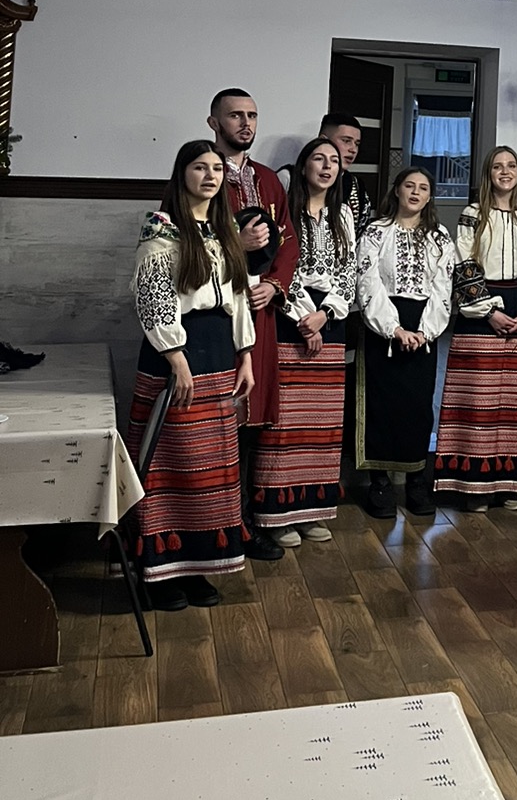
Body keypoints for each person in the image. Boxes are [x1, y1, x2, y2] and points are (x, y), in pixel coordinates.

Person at [127, 140, 255, 610]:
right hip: (176, 352)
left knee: (211, 467)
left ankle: (200, 563)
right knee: (172, 462)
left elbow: (238, 296)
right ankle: (160, 572)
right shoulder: (162, 228)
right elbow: (153, 296)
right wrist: (176, 358)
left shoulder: (224, 229)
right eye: (200, 167)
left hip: (219, 353)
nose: (210, 176)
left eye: (217, 168)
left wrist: (245, 356)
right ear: (182, 173)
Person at [207, 86, 297, 563]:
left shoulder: (266, 179)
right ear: (213, 123)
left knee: (251, 422)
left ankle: (242, 522)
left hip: (260, 313)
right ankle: (211, 524)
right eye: (235, 115)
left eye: (252, 115)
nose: (245, 124)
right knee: (214, 420)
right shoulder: (200, 173)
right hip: (214, 314)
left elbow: (289, 240)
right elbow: (186, 239)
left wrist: (276, 286)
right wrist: (236, 246)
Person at [252, 137, 356, 546]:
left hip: (329, 321)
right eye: (319, 159)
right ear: (303, 166)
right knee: (286, 422)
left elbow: (348, 272)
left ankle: (312, 510)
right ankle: (276, 514)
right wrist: (302, 319)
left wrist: (324, 315)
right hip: (287, 319)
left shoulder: (343, 214)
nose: (327, 167)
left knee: (321, 423)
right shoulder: (284, 209)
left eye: (334, 161)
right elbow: (278, 266)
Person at [356, 167, 474, 518]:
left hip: (423, 327)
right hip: (384, 326)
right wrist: (393, 328)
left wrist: (425, 331)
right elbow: (368, 281)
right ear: (397, 190)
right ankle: (380, 482)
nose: (416, 192)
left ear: (429, 196)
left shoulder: (439, 237)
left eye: (423, 187)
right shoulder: (375, 232)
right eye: (409, 185)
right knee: (381, 405)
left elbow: (443, 286)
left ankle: (416, 481)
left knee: (418, 406)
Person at [434, 146, 517, 511]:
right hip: (482, 312)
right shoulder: (473, 214)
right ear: (488, 173)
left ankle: (510, 485)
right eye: (498, 166)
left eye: (511, 165)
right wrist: (489, 312)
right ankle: (474, 486)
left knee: (515, 404)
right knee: (478, 401)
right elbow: (464, 263)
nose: (505, 171)